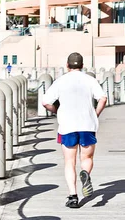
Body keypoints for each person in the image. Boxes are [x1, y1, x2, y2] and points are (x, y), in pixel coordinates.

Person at [42, 52, 107, 209]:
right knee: (87, 158)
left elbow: (45, 102)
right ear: (82, 66)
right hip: (88, 125)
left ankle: (73, 196)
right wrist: (95, 114)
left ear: (67, 65)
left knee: (69, 162)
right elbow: (102, 98)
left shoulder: (60, 81)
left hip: (67, 126)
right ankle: (85, 173)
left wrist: (57, 111)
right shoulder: (90, 80)